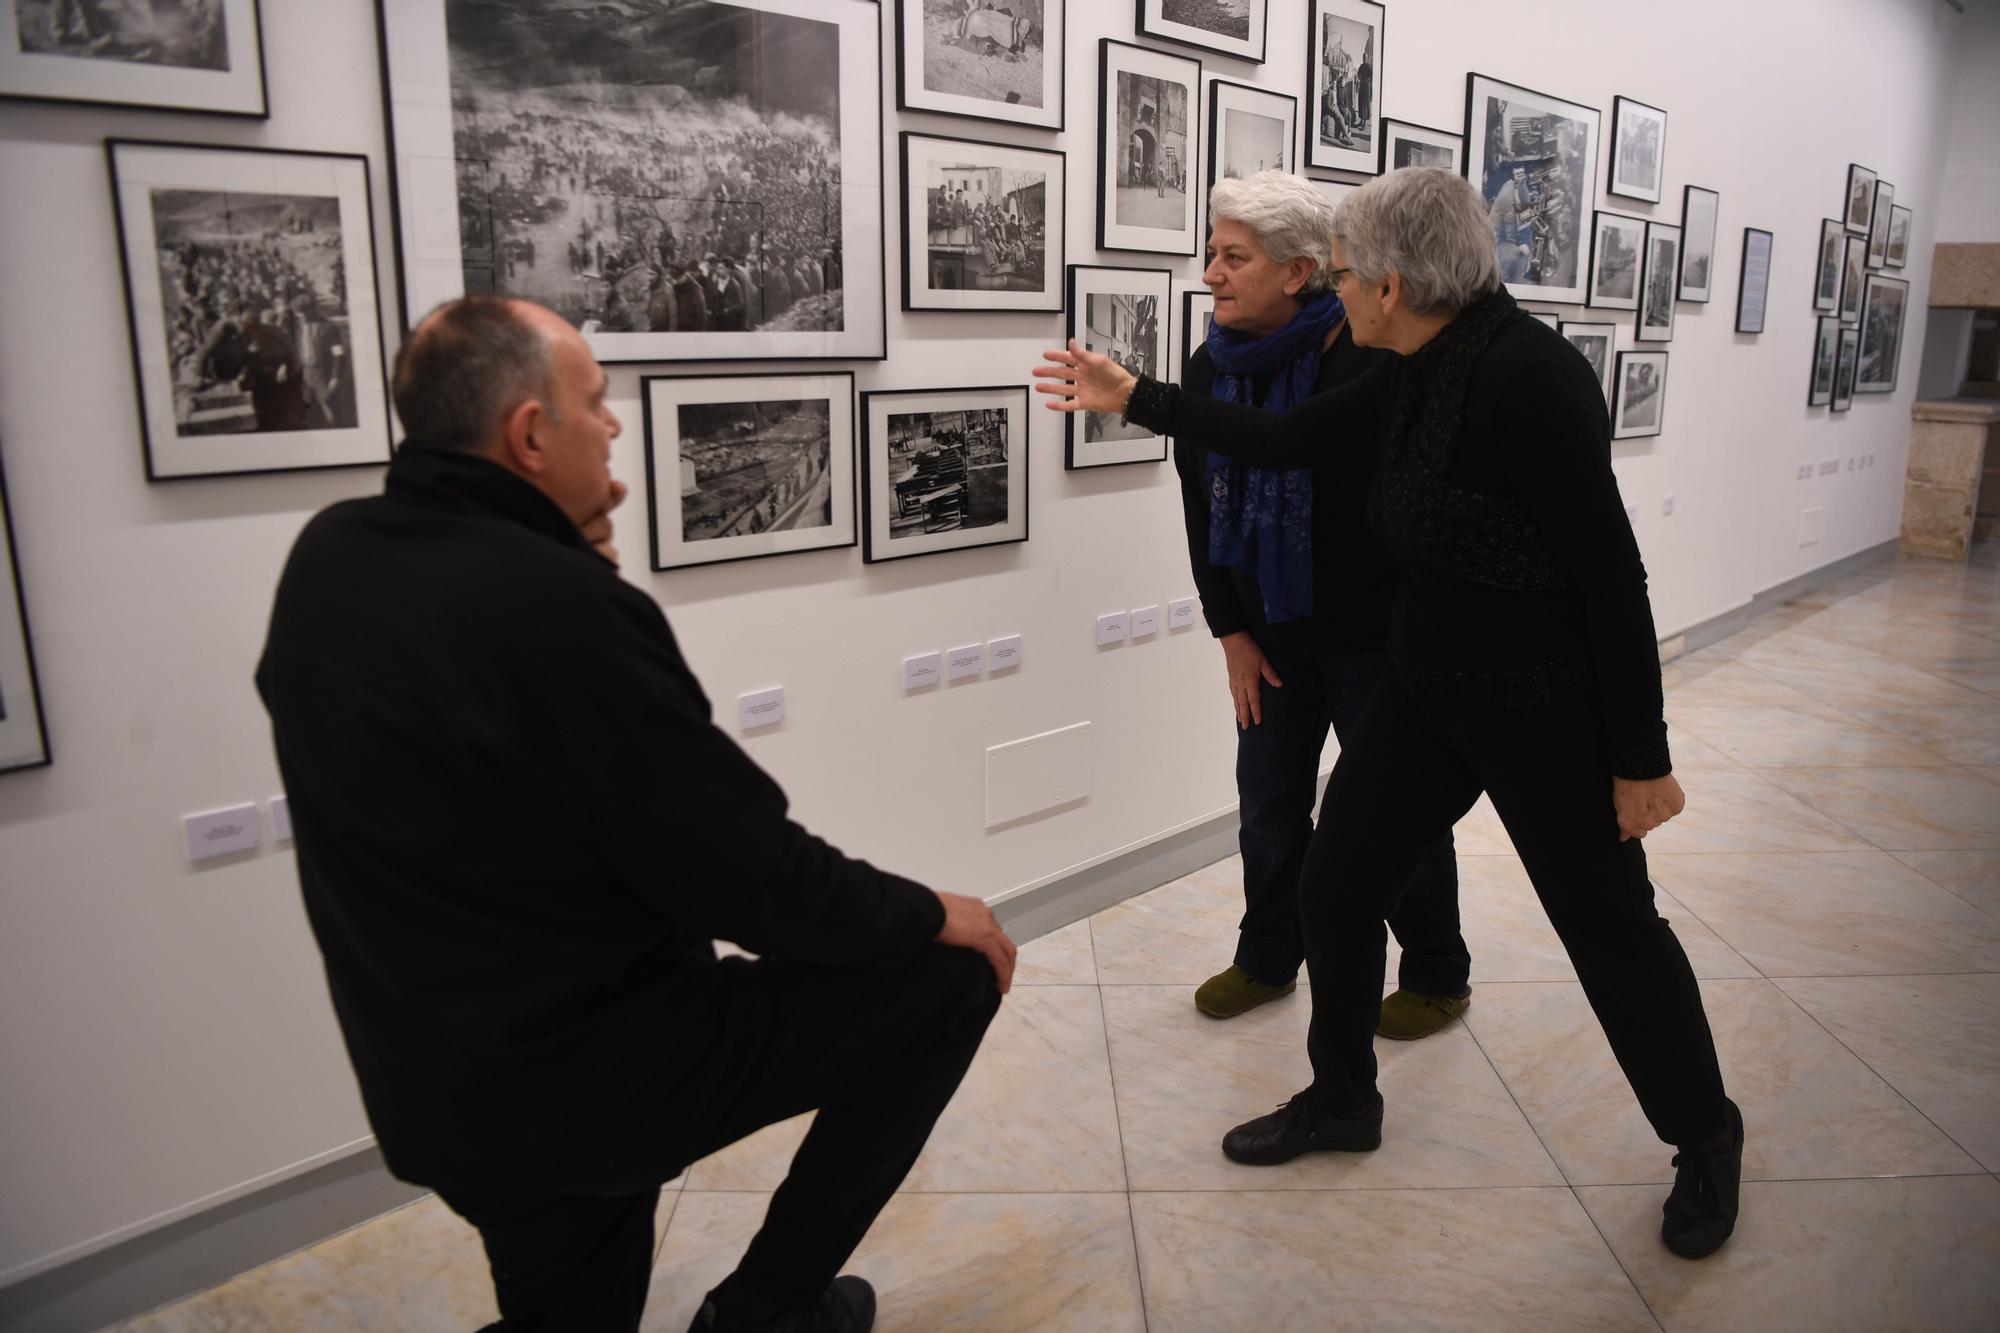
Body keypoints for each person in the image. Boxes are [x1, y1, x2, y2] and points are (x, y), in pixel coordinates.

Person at [258, 296, 1016, 1332]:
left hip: (433, 1074)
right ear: (529, 433)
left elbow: (483, 803)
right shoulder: (550, 604)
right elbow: (751, 874)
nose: (614, 429)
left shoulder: (331, 557)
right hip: (596, 1077)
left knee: (568, 1294)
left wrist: (565, 568)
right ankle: (767, 1306)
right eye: (596, 404)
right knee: (949, 979)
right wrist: (933, 912)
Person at [1035, 168, 1743, 1262]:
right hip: (1422, 686)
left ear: (1393, 283)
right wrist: (1138, 398)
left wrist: (1638, 757)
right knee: (1333, 882)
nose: (1340, 294)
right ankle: (1340, 1100)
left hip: (1541, 707)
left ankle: (1704, 1136)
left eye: (1350, 275)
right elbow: (1281, 440)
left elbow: (1610, 576)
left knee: (1609, 930)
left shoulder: (1531, 379)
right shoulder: (1406, 361)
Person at [1177, 171, 1471, 1033]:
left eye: (1234, 257)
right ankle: (1269, 955)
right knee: (1268, 802)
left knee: (1393, 814)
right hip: (1267, 633)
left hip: (1373, 639)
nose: (1211, 273)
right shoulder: (1210, 363)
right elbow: (1200, 507)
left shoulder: (1371, 359)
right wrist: (1228, 627)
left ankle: (1436, 970)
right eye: (1212, 253)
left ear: (1300, 271)